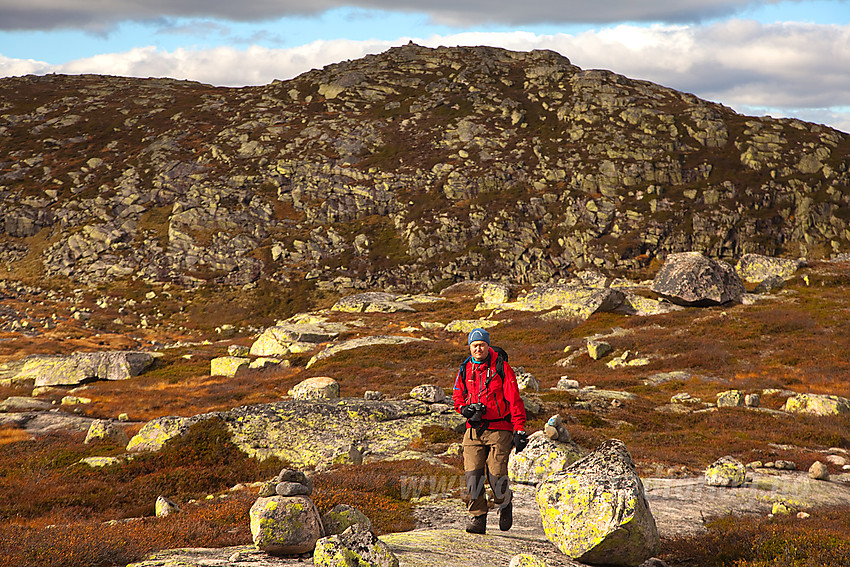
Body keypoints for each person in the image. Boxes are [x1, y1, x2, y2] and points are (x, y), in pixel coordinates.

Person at [452, 327, 528, 534]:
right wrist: (464, 409)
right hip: (474, 429)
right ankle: (478, 517)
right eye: (474, 346)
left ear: (488, 345)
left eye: (481, 345)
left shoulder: (502, 367)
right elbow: (457, 396)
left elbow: (514, 400)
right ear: (470, 347)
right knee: (473, 476)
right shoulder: (465, 368)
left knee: (496, 475)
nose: (478, 349)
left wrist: (519, 429)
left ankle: (505, 503)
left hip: (500, 428)